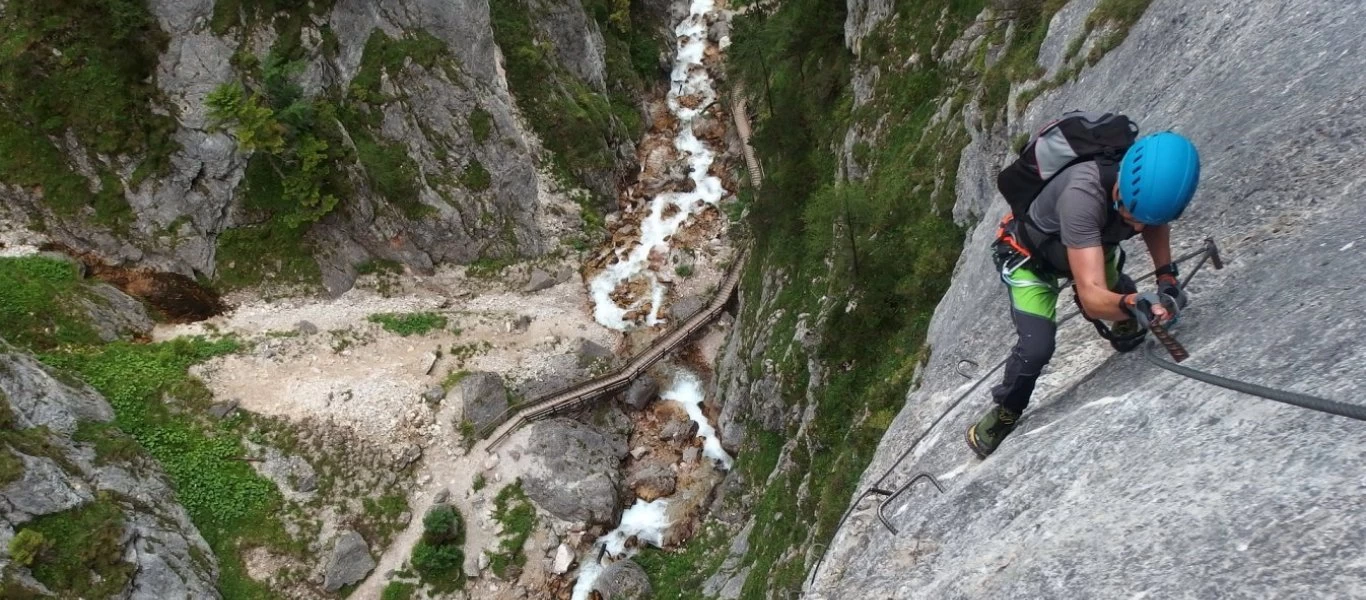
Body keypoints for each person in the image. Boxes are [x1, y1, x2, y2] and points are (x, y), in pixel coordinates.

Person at [966, 130, 1201, 458]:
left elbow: (1153, 221)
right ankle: (1006, 411)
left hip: (1091, 243)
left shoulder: (1145, 192)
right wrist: (1132, 304)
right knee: (1036, 347)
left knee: (1110, 289)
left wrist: (1167, 278)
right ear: (1119, 186)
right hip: (1030, 258)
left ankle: (1123, 312)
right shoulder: (1083, 194)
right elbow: (1091, 298)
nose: (1135, 228)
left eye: (1142, 220)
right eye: (1129, 214)